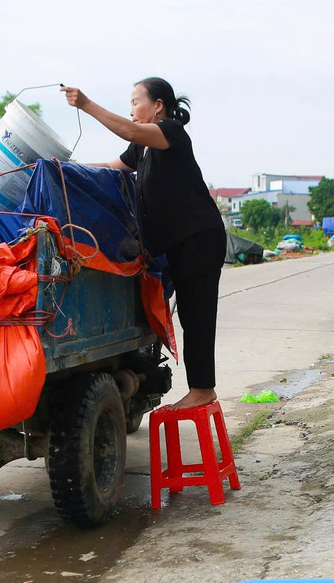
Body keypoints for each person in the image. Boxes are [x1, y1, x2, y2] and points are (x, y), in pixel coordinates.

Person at [63, 78, 226, 411]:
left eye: (136, 101)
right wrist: (66, 167)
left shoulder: (170, 133)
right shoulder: (143, 148)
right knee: (190, 316)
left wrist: (86, 104)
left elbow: (131, 131)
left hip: (199, 236)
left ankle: (202, 390)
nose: (132, 109)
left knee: (198, 314)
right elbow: (113, 167)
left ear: (158, 106)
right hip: (179, 242)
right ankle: (200, 387)